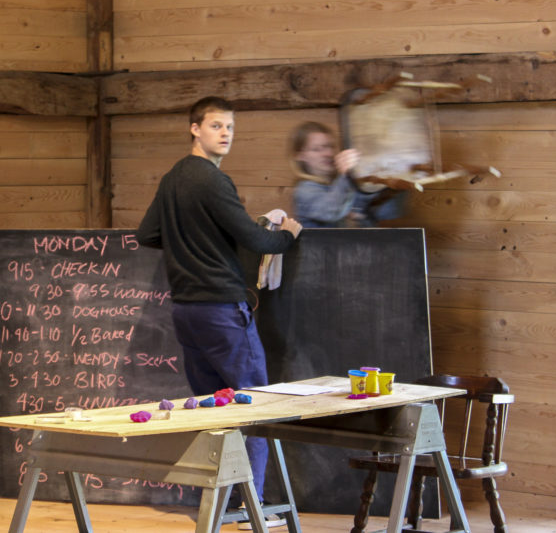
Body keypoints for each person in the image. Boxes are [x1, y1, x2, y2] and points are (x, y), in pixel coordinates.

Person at [136, 97, 302, 530]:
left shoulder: (173, 179)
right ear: (194, 129)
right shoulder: (212, 180)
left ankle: (222, 503)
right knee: (253, 406)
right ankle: (251, 506)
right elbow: (255, 238)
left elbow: (147, 233)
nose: (225, 133)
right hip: (222, 310)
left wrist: (192, 244)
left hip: (186, 311)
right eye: (215, 125)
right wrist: (286, 234)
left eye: (229, 126)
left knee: (214, 411)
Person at [290, 121, 407, 228]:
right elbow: (331, 211)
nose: (328, 153)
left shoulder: (347, 185)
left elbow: (387, 213)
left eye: (330, 146)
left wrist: (393, 182)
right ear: (300, 156)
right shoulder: (304, 191)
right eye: (316, 149)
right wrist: (347, 175)